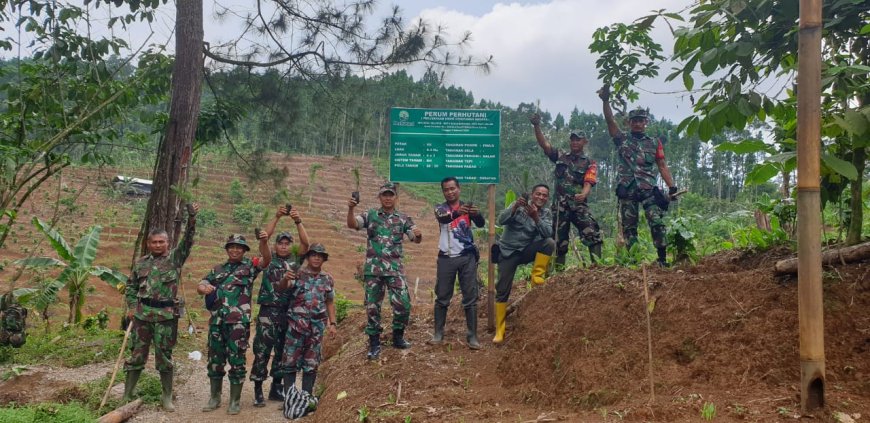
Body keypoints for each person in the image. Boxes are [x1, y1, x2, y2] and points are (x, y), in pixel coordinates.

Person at [123, 202, 199, 412]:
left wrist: (191, 220)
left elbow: (188, 241)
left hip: (166, 316)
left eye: (161, 242)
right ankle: (128, 394)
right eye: (154, 242)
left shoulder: (175, 259)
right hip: (142, 316)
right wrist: (131, 307)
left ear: (168, 243)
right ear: (148, 244)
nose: (158, 245)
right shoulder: (141, 264)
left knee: (164, 357)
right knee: (136, 355)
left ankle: (166, 397)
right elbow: (130, 286)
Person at [599, 85, 678, 267]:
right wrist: (605, 101)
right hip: (627, 189)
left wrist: (672, 186)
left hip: (648, 188)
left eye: (641, 120)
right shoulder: (622, 139)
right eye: (634, 120)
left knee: (656, 222)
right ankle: (634, 260)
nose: (637, 123)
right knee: (629, 228)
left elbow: (662, 165)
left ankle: (662, 259)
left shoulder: (654, 143)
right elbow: (610, 121)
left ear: (646, 122)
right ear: (629, 122)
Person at [197, 231, 271, 415]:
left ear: (244, 250)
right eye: (232, 246)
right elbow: (203, 283)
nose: (235, 250)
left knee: (237, 360)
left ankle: (235, 401)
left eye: (239, 247)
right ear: (227, 249)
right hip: (217, 322)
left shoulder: (249, 266)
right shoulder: (218, 269)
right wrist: (202, 287)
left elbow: (266, 260)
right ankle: (214, 398)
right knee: (215, 360)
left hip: (238, 323)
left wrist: (264, 241)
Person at [347, 182, 422, 360]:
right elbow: (353, 225)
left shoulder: (403, 218)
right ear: (379, 197)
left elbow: (414, 237)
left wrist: (417, 234)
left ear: (396, 197)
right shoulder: (371, 215)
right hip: (374, 271)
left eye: (391, 195)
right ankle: (374, 342)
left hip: (395, 271)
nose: (387, 198)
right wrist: (350, 209)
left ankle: (398, 336)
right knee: (373, 308)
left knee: (403, 305)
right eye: (384, 195)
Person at [249, 205, 309, 407]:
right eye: (280, 243)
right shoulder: (269, 259)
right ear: (276, 246)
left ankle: (276, 387)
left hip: (287, 312)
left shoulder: (294, 260)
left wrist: (298, 221)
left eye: (287, 243)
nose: (283, 246)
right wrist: (275, 217)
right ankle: (258, 388)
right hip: (268, 311)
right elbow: (263, 240)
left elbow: (306, 244)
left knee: (283, 351)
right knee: (262, 350)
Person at [530, 113, 603, 267]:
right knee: (559, 242)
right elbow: (545, 145)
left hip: (578, 206)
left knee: (592, 232)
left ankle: (598, 268)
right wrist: (537, 126)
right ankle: (559, 275)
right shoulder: (561, 156)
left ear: (585, 142)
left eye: (578, 139)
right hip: (560, 208)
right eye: (573, 139)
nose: (575, 142)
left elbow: (589, 181)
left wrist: (584, 194)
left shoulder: (590, 162)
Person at [278, 243, 337, 418]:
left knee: (311, 364)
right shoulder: (298, 273)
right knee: (289, 362)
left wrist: (332, 323)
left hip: (316, 328)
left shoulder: (328, 279)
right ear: (308, 257)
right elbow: (282, 287)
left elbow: (329, 302)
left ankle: (307, 399)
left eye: (320, 255)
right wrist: (284, 278)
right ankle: (289, 398)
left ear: (324, 259)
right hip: (296, 326)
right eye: (313, 255)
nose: (317, 258)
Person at [492, 185, 555, 343]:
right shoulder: (518, 206)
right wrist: (514, 207)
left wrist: (535, 217)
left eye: (544, 195)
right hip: (508, 251)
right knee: (502, 289)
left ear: (547, 198)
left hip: (525, 250)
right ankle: (500, 329)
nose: (541, 197)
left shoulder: (546, 213)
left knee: (549, 243)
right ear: (532, 195)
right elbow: (501, 220)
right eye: (538, 194)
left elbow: (547, 233)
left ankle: (537, 277)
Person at [431, 177, 485, 349]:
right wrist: (458, 213)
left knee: (470, 297)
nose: (450, 192)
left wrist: (477, 214)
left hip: (466, 256)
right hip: (446, 258)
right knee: (442, 297)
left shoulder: (468, 207)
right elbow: (444, 219)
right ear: (443, 192)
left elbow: (481, 223)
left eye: (453, 188)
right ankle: (438, 333)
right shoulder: (440, 208)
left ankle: (472, 336)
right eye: (446, 189)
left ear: (459, 189)